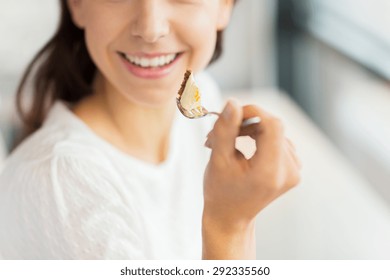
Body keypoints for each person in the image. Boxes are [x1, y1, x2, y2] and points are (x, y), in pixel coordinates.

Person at [0, 0, 301, 259]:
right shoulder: (62, 185)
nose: (150, 28)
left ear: (225, 5)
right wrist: (230, 226)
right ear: (77, 4)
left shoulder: (201, 96)